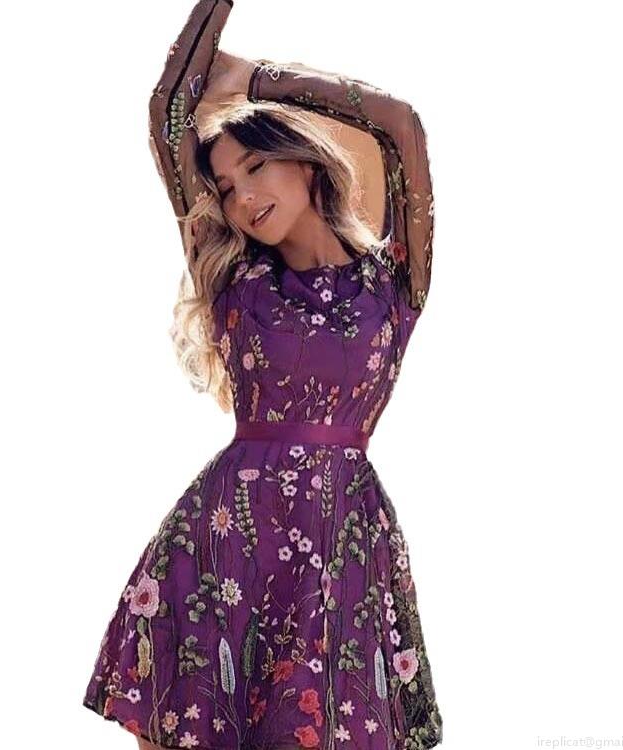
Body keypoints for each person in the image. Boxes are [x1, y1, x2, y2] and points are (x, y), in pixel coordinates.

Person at [82, 2, 442, 749]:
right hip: (225, 548)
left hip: (342, 547)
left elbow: (401, 125)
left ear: (304, 162)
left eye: (255, 167)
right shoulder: (235, 282)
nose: (242, 198)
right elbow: (170, 108)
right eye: (224, 186)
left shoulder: (394, 284)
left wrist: (259, 80)